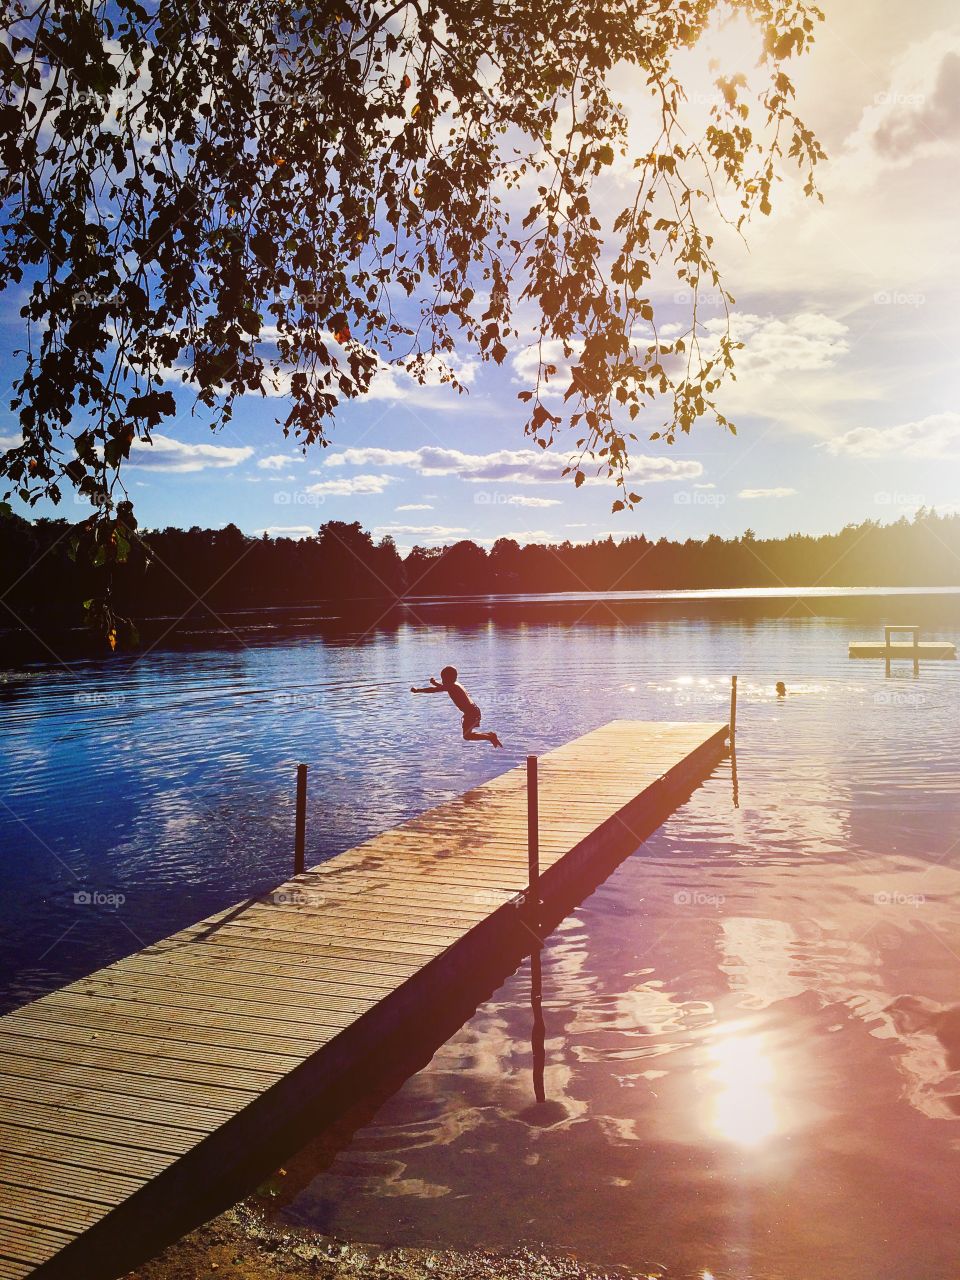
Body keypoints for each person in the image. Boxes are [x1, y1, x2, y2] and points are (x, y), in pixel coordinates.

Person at [411, 665, 503, 748]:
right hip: (473, 711)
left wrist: (418, 690)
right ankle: (490, 735)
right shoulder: (455, 684)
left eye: (443, 679)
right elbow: (443, 687)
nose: (442, 681)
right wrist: (435, 683)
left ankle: (490, 737)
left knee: (467, 736)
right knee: (468, 735)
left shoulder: (451, 686)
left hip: (471, 713)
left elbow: (434, 690)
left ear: (449, 678)